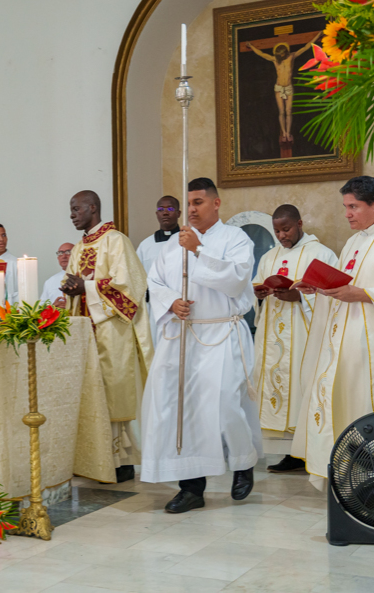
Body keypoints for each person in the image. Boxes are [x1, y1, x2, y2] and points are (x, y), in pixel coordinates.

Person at [141, 178, 263, 512]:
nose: (192, 209)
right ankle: (191, 487)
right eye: (189, 203)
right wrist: (170, 302)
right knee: (179, 409)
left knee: (225, 403)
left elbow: (237, 279)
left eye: (198, 202)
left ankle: (242, 462)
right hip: (183, 336)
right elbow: (155, 280)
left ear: (216, 203)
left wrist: (198, 249)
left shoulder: (234, 239)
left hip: (222, 334)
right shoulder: (172, 245)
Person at [291, 176, 374, 490]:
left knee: (370, 412)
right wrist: (318, 287)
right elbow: (343, 286)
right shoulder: (353, 242)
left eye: (354, 206)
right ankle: (351, 482)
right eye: (346, 207)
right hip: (344, 349)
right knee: (345, 411)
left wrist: (365, 294)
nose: (347, 214)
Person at [62, 191, 153, 483]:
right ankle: (93, 458)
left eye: (76, 209)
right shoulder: (78, 248)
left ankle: (121, 460)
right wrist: (71, 290)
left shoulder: (117, 241)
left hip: (112, 332)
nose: (73, 214)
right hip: (86, 333)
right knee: (91, 393)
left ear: (92, 208)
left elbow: (131, 287)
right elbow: (73, 283)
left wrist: (85, 288)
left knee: (113, 394)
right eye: (71, 210)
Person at [251, 204, 337, 473]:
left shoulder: (321, 254)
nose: (281, 236)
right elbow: (256, 283)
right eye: (277, 230)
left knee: (302, 385)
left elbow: (332, 294)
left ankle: (304, 451)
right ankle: (288, 452)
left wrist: (300, 296)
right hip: (273, 334)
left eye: (286, 229)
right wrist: (260, 294)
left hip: (303, 336)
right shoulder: (270, 256)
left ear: (300, 223)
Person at [245, 35, 319, 145]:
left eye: (282, 54)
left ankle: (288, 133)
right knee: (281, 111)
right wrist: (251, 46)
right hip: (279, 87)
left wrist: (317, 35)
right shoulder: (275, 59)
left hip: (288, 87)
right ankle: (284, 133)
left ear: (285, 52)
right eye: (279, 55)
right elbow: (261, 54)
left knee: (289, 111)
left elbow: (306, 47)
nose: (281, 56)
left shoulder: (292, 56)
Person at [136, 196, 181, 343]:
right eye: (161, 209)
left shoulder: (188, 241)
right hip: (155, 309)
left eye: (170, 209)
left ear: (179, 213)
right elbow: (137, 278)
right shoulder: (145, 246)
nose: (165, 213)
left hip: (182, 306)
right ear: (156, 214)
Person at [40, 243, 73, 307]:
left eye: (68, 252)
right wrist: (53, 306)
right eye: (60, 253)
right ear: (58, 257)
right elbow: (41, 306)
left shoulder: (85, 278)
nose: (64, 256)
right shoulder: (50, 282)